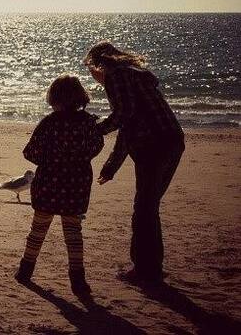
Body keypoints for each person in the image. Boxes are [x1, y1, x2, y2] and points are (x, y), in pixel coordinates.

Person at [84, 41, 185, 285]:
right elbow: (128, 126)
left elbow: (123, 116)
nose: (93, 77)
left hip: (153, 146)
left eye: (91, 69)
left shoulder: (116, 76)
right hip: (172, 141)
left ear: (99, 64)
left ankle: (145, 270)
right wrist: (111, 167)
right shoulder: (135, 76)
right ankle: (151, 267)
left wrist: (94, 131)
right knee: (148, 206)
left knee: (145, 208)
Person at [15, 75, 104, 295]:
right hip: (77, 184)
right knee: (73, 233)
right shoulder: (87, 122)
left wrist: (50, 159)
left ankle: (25, 271)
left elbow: (30, 152)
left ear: (54, 97)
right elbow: (96, 146)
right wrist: (79, 158)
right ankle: (78, 281)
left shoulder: (50, 122)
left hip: (49, 183)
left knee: (38, 229)